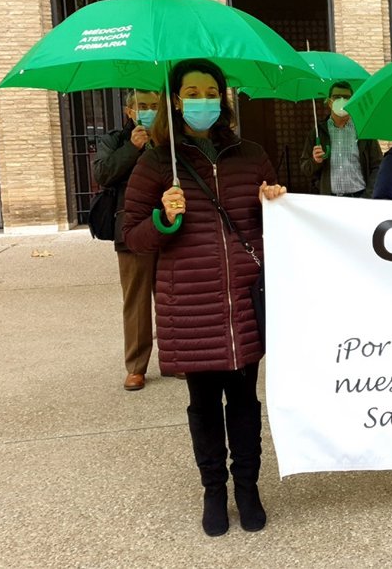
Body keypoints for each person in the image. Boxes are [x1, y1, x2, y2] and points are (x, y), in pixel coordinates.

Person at [122, 59, 286, 537]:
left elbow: (274, 225)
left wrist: (275, 199)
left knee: (244, 401)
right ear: (175, 101)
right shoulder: (157, 163)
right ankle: (214, 490)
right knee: (204, 404)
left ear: (223, 97)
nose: (203, 101)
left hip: (244, 300)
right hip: (190, 304)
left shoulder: (251, 155)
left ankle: (248, 488)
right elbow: (132, 236)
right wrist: (163, 219)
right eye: (192, 93)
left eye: (211, 91)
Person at [92, 89, 167, 391]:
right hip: (131, 228)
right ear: (129, 111)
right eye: (142, 105)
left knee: (170, 295)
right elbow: (103, 174)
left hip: (168, 225)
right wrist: (132, 148)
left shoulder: (169, 138)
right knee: (136, 300)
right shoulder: (115, 140)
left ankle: (174, 357)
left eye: (154, 105)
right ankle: (136, 366)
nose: (149, 110)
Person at [299, 81, 384, 197]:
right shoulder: (318, 132)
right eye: (337, 97)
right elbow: (305, 168)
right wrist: (315, 162)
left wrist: (368, 195)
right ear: (329, 102)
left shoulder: (363, 131)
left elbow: (378, 166)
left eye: (346, 97)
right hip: (329, 199)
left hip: (359, 198)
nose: (342, 100)